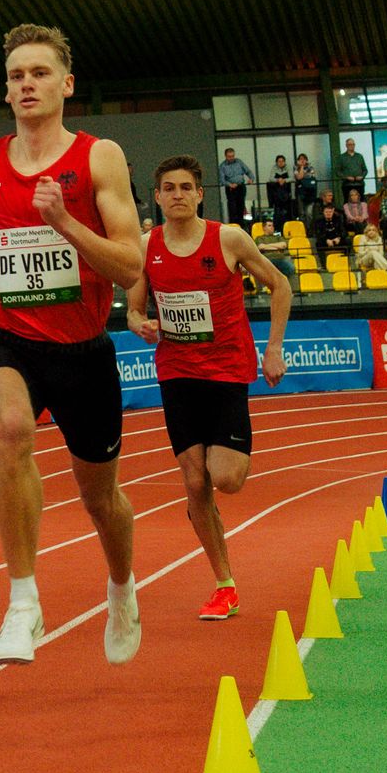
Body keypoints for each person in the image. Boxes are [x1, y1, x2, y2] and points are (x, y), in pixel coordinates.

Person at [0, 21, 143, 667]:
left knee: (100, 501)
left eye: (40, 73)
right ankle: (23, 600)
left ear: (66, 84)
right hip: (7, 336)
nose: (28, 84)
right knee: (13, 428)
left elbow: (131, 265)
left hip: (83, 349)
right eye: (18, 75)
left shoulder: (98, 158)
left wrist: (64, 222)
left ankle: (122, 588)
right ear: (6, 89)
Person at [126, 156, 291, 620]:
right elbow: (133, 310)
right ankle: (225, 583)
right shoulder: (146, 246)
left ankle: (209, 518)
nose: (177, 194)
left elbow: (279, 285)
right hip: (177, 374)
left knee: (226, 479)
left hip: (226, 373)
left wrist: (274, 348)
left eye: (185, 187)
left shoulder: (229, 238)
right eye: (168, 188)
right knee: (195, 481)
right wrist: (141, 324)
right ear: (157, 197)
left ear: (200, 194)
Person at [218, 147, 252, 225]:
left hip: (241, 187)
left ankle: (241, 227)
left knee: (241, 207)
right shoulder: (222, 166)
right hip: (231, 189)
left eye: (233, 156)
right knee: (232, 209)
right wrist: (229, 184)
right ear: (225, 156)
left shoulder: (239, 162)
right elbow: (222, 180)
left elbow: (248, 171)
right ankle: (233, 226)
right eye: (229, 156)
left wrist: (251, 179)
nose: (231, 158)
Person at [266, 157, 294, 225]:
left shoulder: (288, 168)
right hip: (277, 195)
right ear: (276, 162)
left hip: (286, 194)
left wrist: (284, 180)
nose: (281, 163)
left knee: (287, 211)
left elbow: (292, 178)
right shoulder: (274, 168)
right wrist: (278, 180)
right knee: (277, 212)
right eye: (279, 161)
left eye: (282, 161)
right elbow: (271, 178)